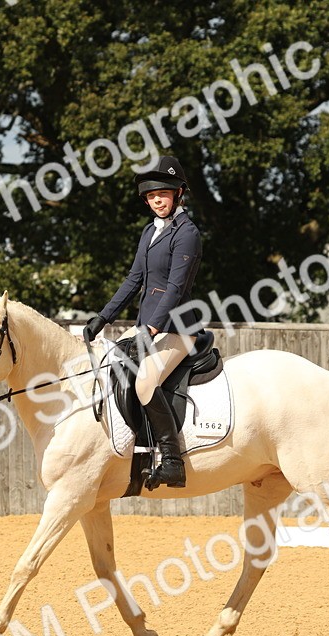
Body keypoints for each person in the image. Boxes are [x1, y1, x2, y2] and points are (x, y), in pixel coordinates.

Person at [82, 155, 203, 489]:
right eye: (151, 196)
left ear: (179, 193)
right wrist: (102, 318)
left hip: (178, 328)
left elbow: (176, 288)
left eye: (163, 193)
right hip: (148, 326)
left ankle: (173, 461)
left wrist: (152, 327)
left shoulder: (187, 233)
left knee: (145, 382)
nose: (157, 200)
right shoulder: (151, 230)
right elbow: (134, 280)